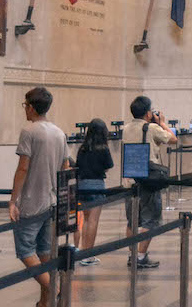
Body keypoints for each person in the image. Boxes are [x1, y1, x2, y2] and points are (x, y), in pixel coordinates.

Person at [11, 88, 70, 306]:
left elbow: (23, 168)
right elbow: (65, 167)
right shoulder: (59, 132)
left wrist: (12, 201)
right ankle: (45, 302)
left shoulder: (29, 131)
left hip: (31, 202)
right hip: (52, 201)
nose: (24, 109)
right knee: (45, 252)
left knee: (26, 250)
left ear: (31, 107)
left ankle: (56, 289)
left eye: (25, 105)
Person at [122, 96, 177, 268]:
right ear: (148, 113)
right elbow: (173, 139)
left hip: (130, 180)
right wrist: (162, 122)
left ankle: (132, 255)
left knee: (132, 221)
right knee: (150, 220)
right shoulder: (152, 127)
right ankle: (140, 256)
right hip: (148, 181)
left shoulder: (126, 128)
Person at [74, 119, 113, 265]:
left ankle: (84, 251)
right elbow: (109, 166)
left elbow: (78, 167)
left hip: (82, 185)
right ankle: (88, 255)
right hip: (96, 185)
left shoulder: (82, 148)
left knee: (85, 219)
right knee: (93, 221)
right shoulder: (103, 148)